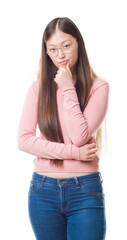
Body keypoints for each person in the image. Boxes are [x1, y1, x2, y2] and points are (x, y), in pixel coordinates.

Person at [17, 17, 109, 240]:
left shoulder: (99, 87)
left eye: (66, 46)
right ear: (46, 52)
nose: (60, 55)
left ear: (79, 44)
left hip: (85, 191)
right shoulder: (38, 89)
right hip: (42, 191)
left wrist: (67, 85)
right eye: (53, 49)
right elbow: (24, 140)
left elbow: (79, 136)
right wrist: (74, 154)